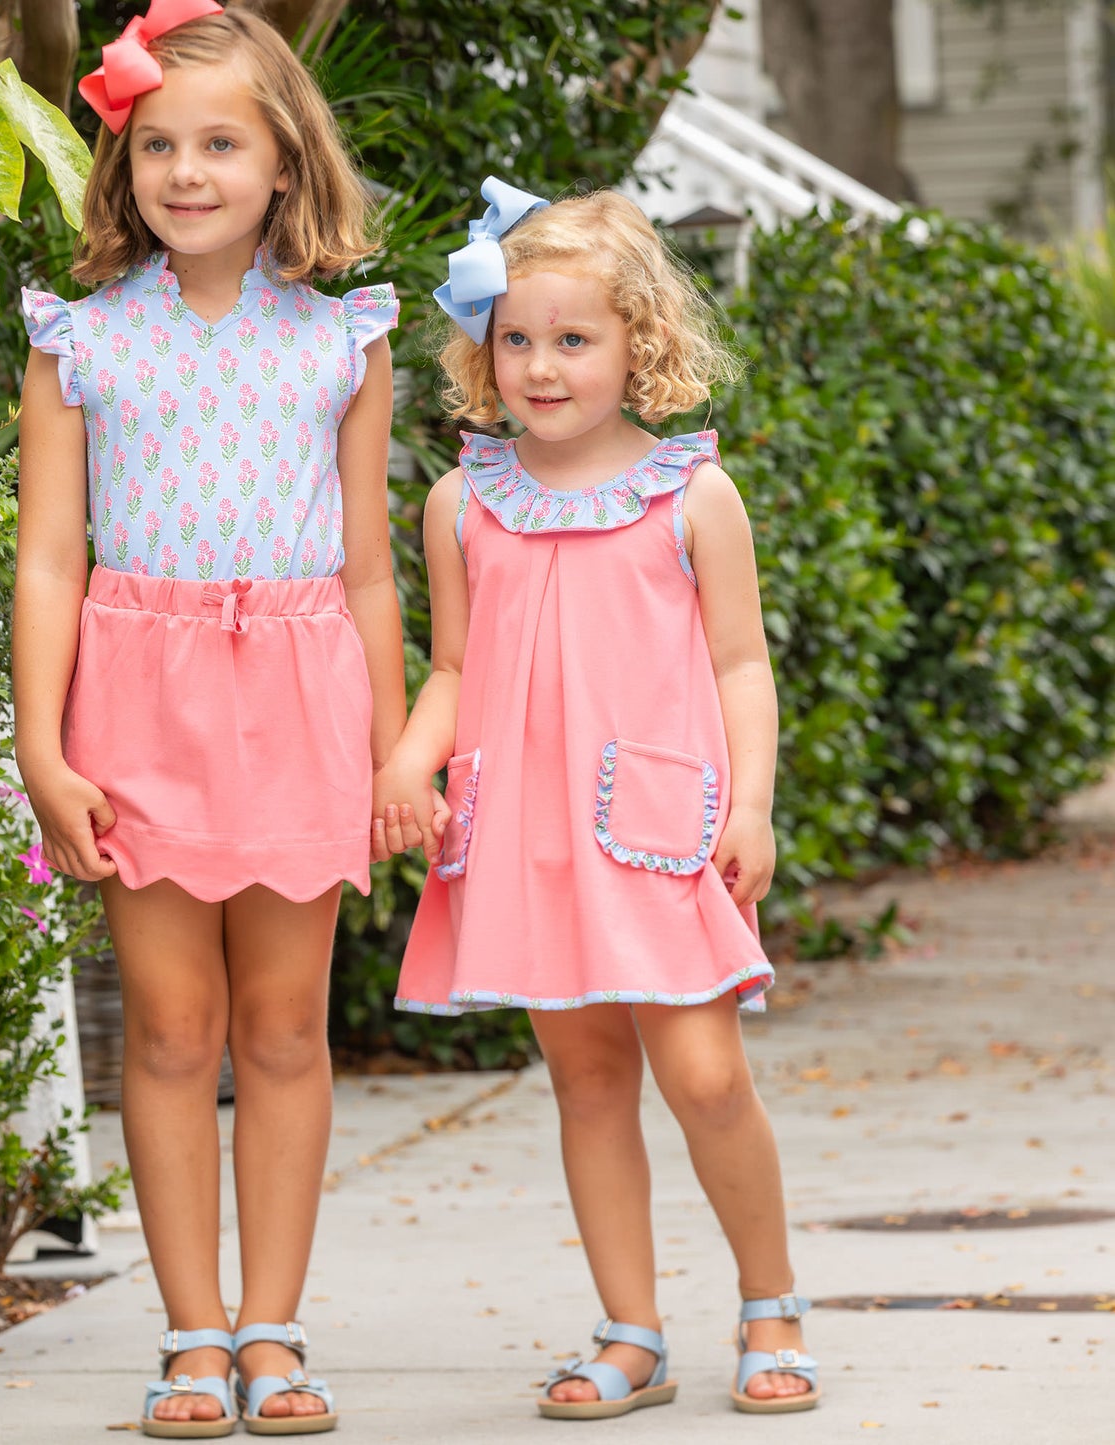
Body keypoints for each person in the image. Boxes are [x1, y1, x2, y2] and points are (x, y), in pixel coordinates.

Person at [13, 4, 403, 1435]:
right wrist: (43, 747)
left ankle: (275, 1332)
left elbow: (367, 565)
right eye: (158, 144)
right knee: (175, 1029)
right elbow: (51, 558)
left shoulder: (343, 340)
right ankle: (191, 1333)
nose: (188, 171)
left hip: (302, 692)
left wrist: (392, 749)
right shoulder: (78, 342)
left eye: (221, 142)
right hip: (139, 700)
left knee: (286, 1024)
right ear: (123, 169)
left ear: (285, 162)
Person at [377, 179, 819, 1418]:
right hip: (526, 834)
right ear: (482, 348)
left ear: (640, 343)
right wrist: (409, 758)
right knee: (583, 1080)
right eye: (514, 338)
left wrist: (752, 807)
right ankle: (631, 1328)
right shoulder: (463, 502)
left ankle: (769, 1300)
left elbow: (741, 663)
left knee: (705, 1075)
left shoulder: (690, 495)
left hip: (660, 833)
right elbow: (454, 669)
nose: (540, 365)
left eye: (572, 339)